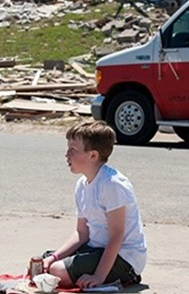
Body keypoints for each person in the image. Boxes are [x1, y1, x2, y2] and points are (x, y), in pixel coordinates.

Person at [43, 121, 147, 289]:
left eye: (73, 150)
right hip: (96, 248)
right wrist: (53, 257)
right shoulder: (82, 184)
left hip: (124, 257)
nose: (66, 155)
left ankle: (124, 277)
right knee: (45, 262)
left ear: (93, 155)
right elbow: (81, 233)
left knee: (56, 271)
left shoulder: (112, 184)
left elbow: (116, 235)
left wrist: (98, 276)